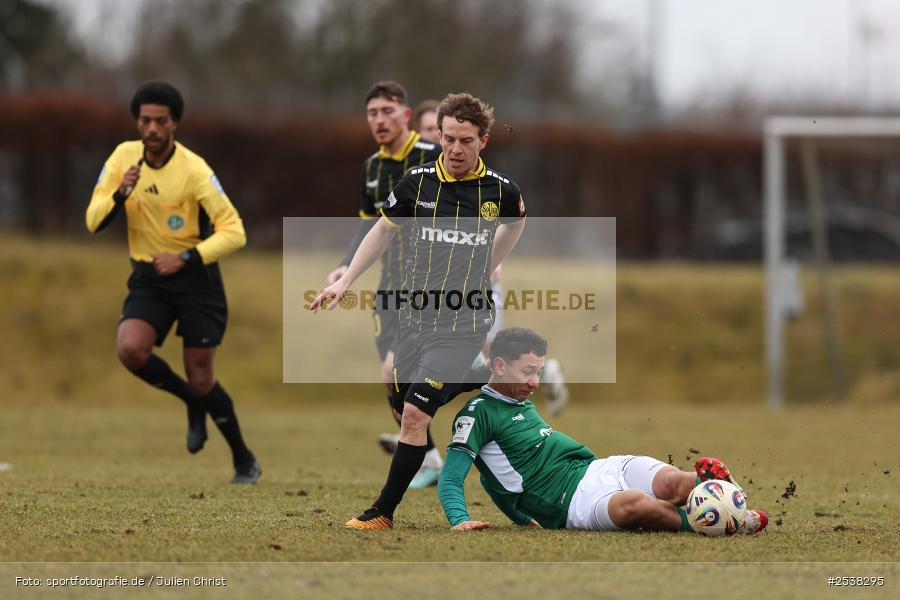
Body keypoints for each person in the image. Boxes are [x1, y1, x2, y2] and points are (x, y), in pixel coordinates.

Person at [310, 92, 527, 529]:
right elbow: (382, 233)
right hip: (414, 319)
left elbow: (517, 220)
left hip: (464, 321)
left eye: (466, 140)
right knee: (397, 394)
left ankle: (381, 513)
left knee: (414, 413)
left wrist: (490, 261)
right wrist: (347, 279)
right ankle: (483, 376)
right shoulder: (416, 183)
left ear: (483, 140)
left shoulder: (500, 190)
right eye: (448, 139)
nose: (455, 149)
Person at [86, 81, 261, 484]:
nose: (151, 128)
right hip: (149, 278)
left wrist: (185, 256)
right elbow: (93, 220)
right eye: (145, 120)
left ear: (174, 124)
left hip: (197, 278)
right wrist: (119, 193)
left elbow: (235, 231)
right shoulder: (122, 159)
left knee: (202, 375)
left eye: (160, 121)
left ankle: (244, 458)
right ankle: (191, 402)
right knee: (130, 349)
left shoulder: (194, 169)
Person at [437, 328, 768, 534]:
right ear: (498, 366)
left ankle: (726, 497)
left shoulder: (519, 396)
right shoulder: (477, 415)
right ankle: (717, 520)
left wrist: (519, 518)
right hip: (573, 502)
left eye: (539, 372)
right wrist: (459, 518)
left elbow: (495, 479)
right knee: (638, 504)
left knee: (673, 483)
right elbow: (456, 476)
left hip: (599, 467)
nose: (535, 383)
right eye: (527, 372)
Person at [324, 81, 446, 489]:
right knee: (391, 377)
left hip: (433, 286)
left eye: (387, 111)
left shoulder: (432, 156)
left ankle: (492, 419)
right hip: (391, 286)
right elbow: (368, 225)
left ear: (406, 115)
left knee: (414, 370)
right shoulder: (371, 167)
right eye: (372, 112)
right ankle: (429, 456)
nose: (379, 119)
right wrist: (345, 268)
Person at [414, 98, 569, 416]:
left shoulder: (479, 178)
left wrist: (488, 261)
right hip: (437, 292)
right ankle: (422, 436)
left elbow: (502, 224)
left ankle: (534, 381)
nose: (435, 137)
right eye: (429, 130)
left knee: (488, 362)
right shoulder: (422, 177)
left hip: (475, 289)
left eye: (436, 129)